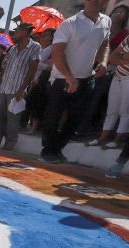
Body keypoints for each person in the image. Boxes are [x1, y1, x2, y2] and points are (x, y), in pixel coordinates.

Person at [41, 0, 111, 163]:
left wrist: (104, 62)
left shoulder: (107, 21)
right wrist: (68, 76)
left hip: (87, 79)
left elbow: (106, 44)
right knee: (53, 116)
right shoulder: (70, 23)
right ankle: (48, 150)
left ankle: (56, 149)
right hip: (62, 79)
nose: (96, 1)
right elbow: (57, 52)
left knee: (76, 119)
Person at [0, 23, 40, 150]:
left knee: (13, 118)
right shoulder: (13, 48)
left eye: (17, 30)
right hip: (4, 86)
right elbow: (6, 67)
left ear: (25, 32)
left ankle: (10, 143)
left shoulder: (34, 47)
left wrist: (22, 89)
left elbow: (33, 70)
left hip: (17, 89)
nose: (14, 33)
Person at [79, 4, 129, 138]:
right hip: (90, 65)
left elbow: (115, 55)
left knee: (101, 102)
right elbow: (112, 55)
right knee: (86, 99)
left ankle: (93, 130)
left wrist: (117, 57)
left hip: (110, 71)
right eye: (117, 11)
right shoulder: (101, 27)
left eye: (122, 12)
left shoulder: (125, 34)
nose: (118, 14)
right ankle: (80, 128)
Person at [25, 28, 55, 134]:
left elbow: (38, 63)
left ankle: (34, 126)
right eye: (42, 35)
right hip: (36, 78)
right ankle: (32, 124)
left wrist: (43, 66)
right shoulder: (41, 48)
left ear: (51, 38)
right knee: (32, 102)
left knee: (37, 102)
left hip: (43, 79)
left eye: (45, 35)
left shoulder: (51, 49)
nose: (42, 37)